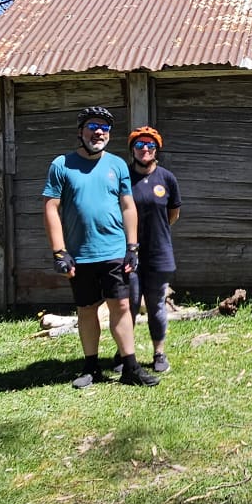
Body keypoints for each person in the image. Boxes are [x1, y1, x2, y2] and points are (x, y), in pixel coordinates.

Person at [42, 106, 159, 387]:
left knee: (120, 305)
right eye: (93, 126)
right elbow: (50, 208)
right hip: (80, 254)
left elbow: (128, 207)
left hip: (115, 251)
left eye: (104, 128)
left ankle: (130, 367)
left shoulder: (117, 165)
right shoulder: (61, 165)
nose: (99, 132)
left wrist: (133, 247)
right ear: (80, 132)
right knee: (86, 308)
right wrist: (59, 251)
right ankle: (91, 367)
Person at [124, 125, 182, 373]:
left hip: (159, 252)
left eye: (149, 145)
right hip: (129, 253)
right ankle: (125, 354)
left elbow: (173, 214)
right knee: (130, 303)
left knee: (156, 304)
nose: (144, 149)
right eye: (139, 145)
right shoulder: (124, 177)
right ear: (132, 150)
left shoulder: (167, 178)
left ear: (157, 149)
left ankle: (159, 353)